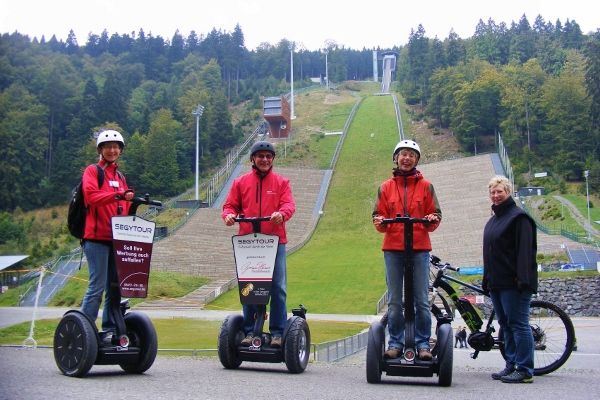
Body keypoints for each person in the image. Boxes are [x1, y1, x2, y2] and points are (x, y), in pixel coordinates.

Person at [372, 139, 442, 361]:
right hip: (393, 248)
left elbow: (436, 215)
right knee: (394, 300)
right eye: (403, 154)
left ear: (417, 160)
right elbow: (377, 217)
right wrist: (381, 221)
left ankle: (423, 343)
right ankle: (395, 342)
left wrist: (432, 218)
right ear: (396, 158)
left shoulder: (426, 186)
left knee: (421, 299)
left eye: (411, 155)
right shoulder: (385, 187)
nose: (406, 158)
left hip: (419, 248)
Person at [222, 141, 296, 348]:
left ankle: (278, 332)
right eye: (260, 156)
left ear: (272, 159)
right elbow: (230, 206)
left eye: (268, 156)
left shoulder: (282, 182)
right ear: (252, 159)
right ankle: (249, 329)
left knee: (278, 288)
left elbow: (289, 204)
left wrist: (282, 214)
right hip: (248, 242)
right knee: (249, 287)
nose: (265, 160)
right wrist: (228, 216)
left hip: (274, 241)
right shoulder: (240, 182)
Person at [80, 129, 135, 341]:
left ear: (120, 151)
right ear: (101, 150)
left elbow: (123, 206)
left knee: (115, 287)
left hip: (116, 240)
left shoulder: (120, 176)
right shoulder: (93, 171)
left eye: (116, 147)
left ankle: (110, 329)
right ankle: (85, 331)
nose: (112, 150)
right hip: (96, 239)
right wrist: (118, 194)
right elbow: (92, 197)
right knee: (97, 285)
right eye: (108, 147)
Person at [482, 175, 538, 384]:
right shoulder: (494, 219)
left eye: (500, 191)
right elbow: (490, 252)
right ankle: (511, 364)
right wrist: (487, 279)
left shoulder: (519, 218)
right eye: (493, 192)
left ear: (508, 192)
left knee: (518, 324)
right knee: (505, 325)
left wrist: (522, 280)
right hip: (497, 282)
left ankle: (524, 369)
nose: (496, 196)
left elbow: (525, 252)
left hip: (514, 283)